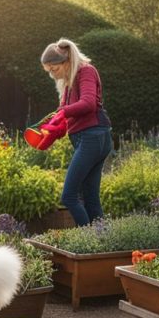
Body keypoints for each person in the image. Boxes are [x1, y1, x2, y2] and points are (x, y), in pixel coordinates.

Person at [40, 38, 113, 226]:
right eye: (48, 71)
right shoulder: (69, 81)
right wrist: (51, 126)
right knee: (89, 197)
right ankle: (101, 243)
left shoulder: (85, 71)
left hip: (92, 137)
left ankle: (88, 240)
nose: (52, 75)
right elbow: (67, 112)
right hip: (90, 139)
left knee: (69, 196)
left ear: (66, 62)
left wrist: (64, 111)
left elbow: (88, 103)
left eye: (54, 69)